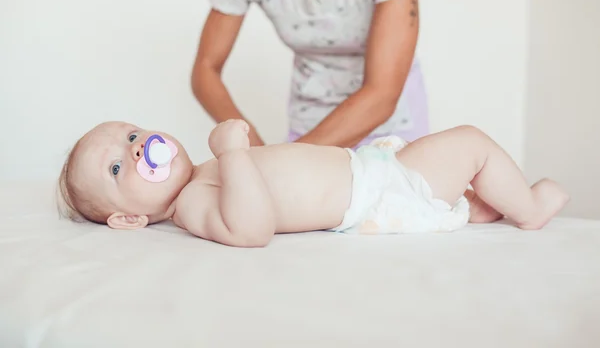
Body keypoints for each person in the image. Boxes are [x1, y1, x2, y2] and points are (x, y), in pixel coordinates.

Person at [57, 120, 569, 248]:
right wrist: (234, 152)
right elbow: (251, 230)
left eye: (130, 135)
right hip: (376, 190)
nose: (135, 148)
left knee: (456, 178)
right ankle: (529, 209)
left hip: (369, 169)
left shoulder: (202, 176)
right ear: (129, 218)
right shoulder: (191, 205)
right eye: (117, 169)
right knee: (471, 143)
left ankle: (475, 209)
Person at [191, 0, 429, 148]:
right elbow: (205, 70)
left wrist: (284, 161)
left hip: (392, 128)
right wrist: (254, 150)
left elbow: (382, 93)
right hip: (308, 126)